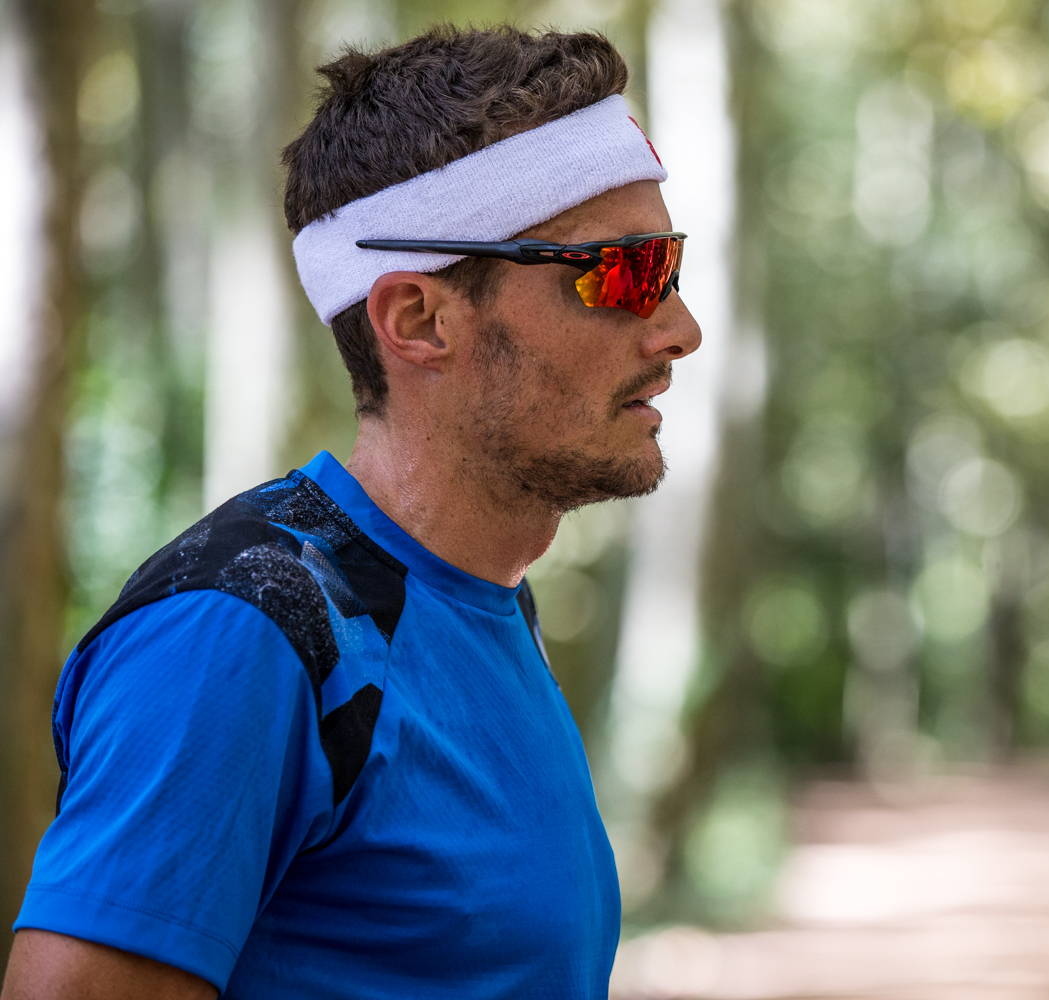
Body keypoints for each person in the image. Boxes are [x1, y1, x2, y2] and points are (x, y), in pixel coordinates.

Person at [2, 23, 700, 1000]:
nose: (678, 328)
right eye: (623, 274)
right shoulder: (240, 634)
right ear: (418, 321)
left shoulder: (484, 602)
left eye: (668, 265)